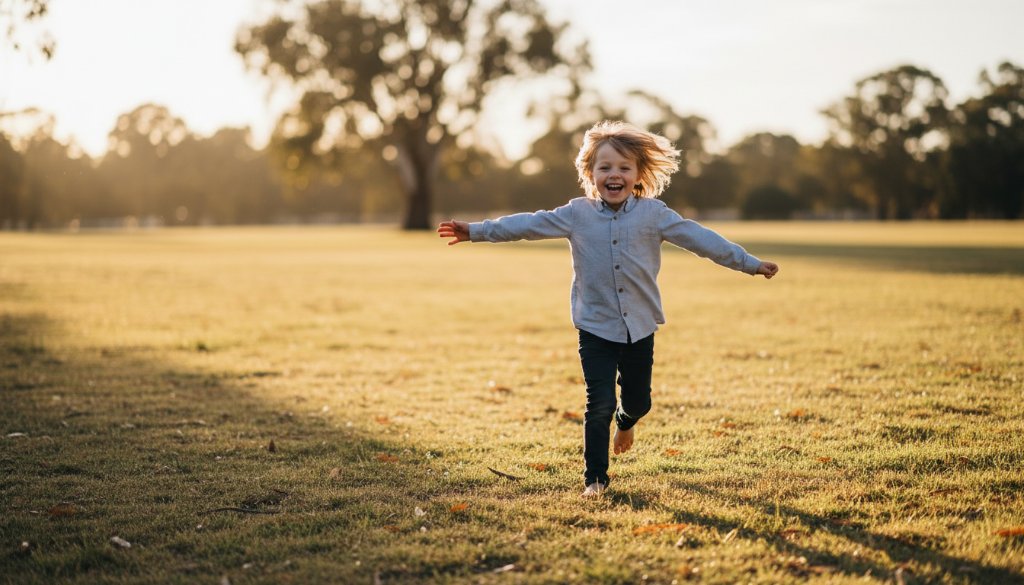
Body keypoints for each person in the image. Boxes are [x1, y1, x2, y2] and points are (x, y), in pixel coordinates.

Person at [437, 120, 779, 498]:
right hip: (594, 326)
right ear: (590, 173)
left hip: (640, 326)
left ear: (638, 175)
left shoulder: (654, 214)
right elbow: (528, 225)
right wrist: (478, 231)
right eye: (605, 167)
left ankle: (627, 420)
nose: (614, 174)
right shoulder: (575, 214)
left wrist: (748, 262)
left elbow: (701, 240)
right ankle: (595, 479)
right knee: (598, 402)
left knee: (638, 401)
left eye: (623, 167)